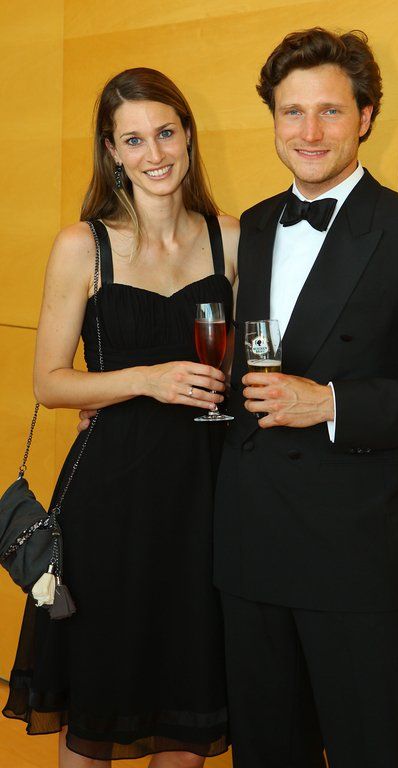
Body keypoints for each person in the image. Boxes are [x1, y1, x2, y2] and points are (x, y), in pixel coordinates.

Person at [213, 28, 398, 768]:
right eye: (292, 111)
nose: (309, 132)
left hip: (355, 558)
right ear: (274, 119)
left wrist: (331, 403)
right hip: (248, 546)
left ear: (366, 117)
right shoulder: (253, 228)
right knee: (266, 753)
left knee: (379, 751)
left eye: (330, 111)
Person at [2, 67, 238, 767]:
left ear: (188, 135)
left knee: (190, 710)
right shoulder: (83, 245)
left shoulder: (232, 240)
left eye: (165, 132)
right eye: (133, 140)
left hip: (206, 497)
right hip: (109, 500)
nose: (154, 154)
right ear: (112, 151)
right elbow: (50, 383)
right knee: (96, 710)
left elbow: (250, 363)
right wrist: (146, 380)